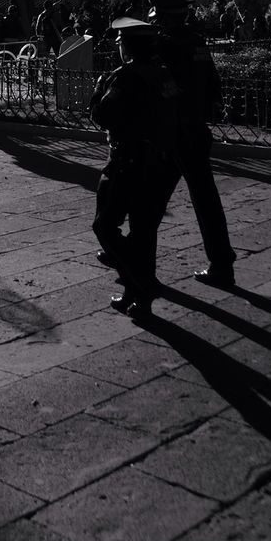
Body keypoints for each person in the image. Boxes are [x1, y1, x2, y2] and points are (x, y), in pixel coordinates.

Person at [89, 17, 182, 318]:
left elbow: (103, 115)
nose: (118, 48)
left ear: (126, 47)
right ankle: (138, 294)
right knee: (144, 229)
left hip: (131, 161)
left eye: (119, 43)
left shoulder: (126, 76)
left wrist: (97, 91)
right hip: (164, 161)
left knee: (104, 225)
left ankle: (140, 281)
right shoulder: (163, 73)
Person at [149, 0, 237, 286]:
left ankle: (136, 261)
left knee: (151, 202)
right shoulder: (196, 41)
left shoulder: (165, 44)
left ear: (163, 18)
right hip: (196, 130)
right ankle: (222, 263)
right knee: (202, 198)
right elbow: (213, 84)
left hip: (174, 132)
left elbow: (159, 86)